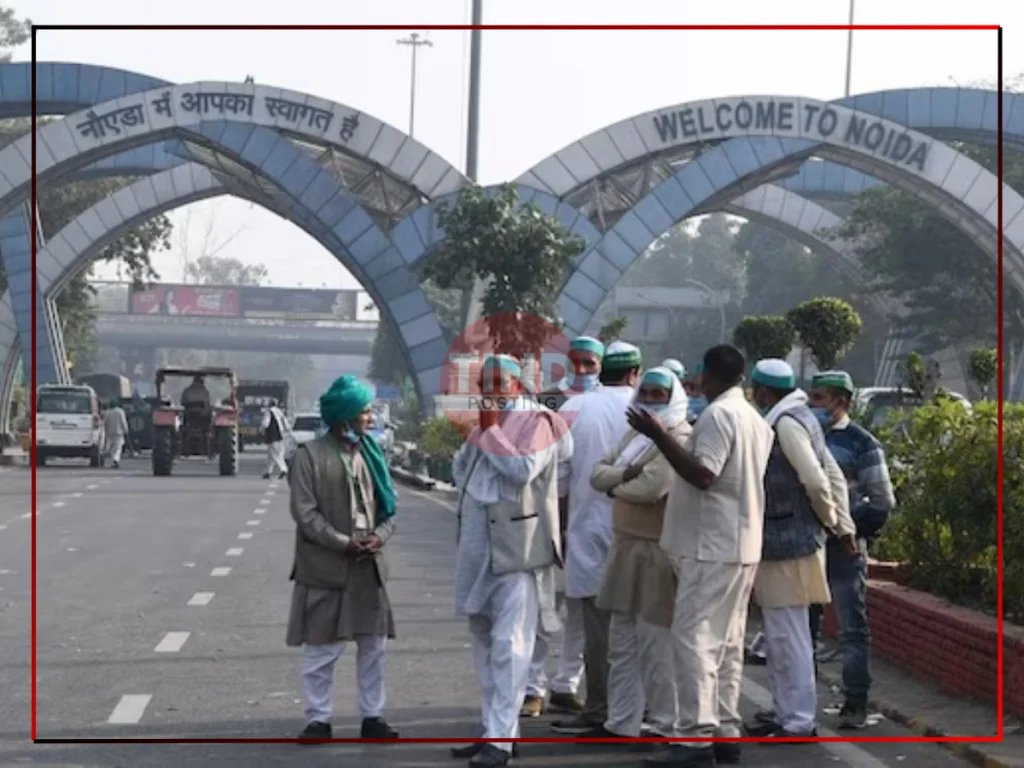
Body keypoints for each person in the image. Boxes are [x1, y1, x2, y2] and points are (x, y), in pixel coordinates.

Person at [627, 344, 773, 767]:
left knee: (692, 640)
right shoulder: (754, 419)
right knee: (727, 643)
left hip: (710, 545)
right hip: (740, 543)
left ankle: (693, 738)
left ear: (708, 376)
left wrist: (658, 436)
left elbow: (704, 474)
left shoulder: (718, 416)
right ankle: (725, 730)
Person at [451, 354, 572, 767]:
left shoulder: (537, 420)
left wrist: (489, 432)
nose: (493, 389)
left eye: (501, 381)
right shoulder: (484, 419)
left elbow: (521, 471)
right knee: (484, 643)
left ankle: (500, 741)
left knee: (511, 646)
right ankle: (496, 731)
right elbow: (460, 473)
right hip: (477, 546)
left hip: (518, 548)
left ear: (519, 385)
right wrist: (477, 433)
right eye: (486, 382)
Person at [744, 359, 854, 743]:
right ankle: (785, 712)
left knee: (788, 636)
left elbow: (815, 478)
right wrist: (838, 523)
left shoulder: (787, 423)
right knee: (779, 636)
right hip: (788, 540)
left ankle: (799, 721)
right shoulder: (798, 416)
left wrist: (831, 522)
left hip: (789, 541)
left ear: (761, 391)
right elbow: (829, 474)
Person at [287, 375, 400, 742]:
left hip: (368, 564)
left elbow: (390, 509)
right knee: (322, 649)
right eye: (365, 412)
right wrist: (343, 543)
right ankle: (319, 718)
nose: (370, 418)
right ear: (345, 417)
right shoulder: (308, 457)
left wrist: (378, 538)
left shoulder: (373, 453)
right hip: (326, 567)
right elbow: (306, 515)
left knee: (373, 646)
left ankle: (373, 717)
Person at [586, 367, 691, 741]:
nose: (649, 399)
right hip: (624, 545)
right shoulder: (635, 434)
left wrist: (615, 484)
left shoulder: (677, 436)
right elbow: (595, 474)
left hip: (656, 551)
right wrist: (624, 473)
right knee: (622, 642)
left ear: (673, 397)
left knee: (655, 645)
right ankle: (622, 721)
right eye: (644, 392)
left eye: (658, 394)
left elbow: (652, 488)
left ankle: (665, 724)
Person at [549, 341, 643, 736]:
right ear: (635, 372)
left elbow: (560, 484)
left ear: (601, 369)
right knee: (640, 626)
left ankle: (600, 706)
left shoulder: (573, 409)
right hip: (638, 532)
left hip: (585, 533)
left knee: (597, 630)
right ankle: (640, 710)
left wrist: (562, 534)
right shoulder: (649, 407)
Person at [808, 370, 895, 729]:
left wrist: (849, 530)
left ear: (841, 403)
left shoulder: (862, 444)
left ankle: (855, 702)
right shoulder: (803, 436)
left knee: (851, 629)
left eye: (819, 399)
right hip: (807, 545)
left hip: (844, 549)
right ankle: (799, 705)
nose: (811, 404)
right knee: (803, 628)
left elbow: (882, 501)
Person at [523, 336, 603, 718]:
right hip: (549, 520)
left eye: (590, 363)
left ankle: (566, 684)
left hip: (592, 524)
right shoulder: (548, 402)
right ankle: (532, 687)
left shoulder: (608, 403)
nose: (583, 371)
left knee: (584, 611)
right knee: (544, 610)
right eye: (577, 363)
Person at [261, 398, 293, 480]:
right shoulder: (279, 412)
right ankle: (268, 472)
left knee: (274, 454)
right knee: (272, 455)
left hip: (272, 436)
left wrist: (261, 430)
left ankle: (284, 469)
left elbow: (266, 423)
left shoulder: (269, 411)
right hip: (281, 436)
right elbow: (287, 424)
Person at [102, 399, 130, 468]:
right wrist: (126, 430)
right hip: (119, 432)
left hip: (110, 432)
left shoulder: (107, 412)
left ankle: (114, 460)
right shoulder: (120, 411)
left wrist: (105, 431)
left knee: (112, 448)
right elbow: (123, 421)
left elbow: (105, 423)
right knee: (118, 447)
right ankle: (116, 460)